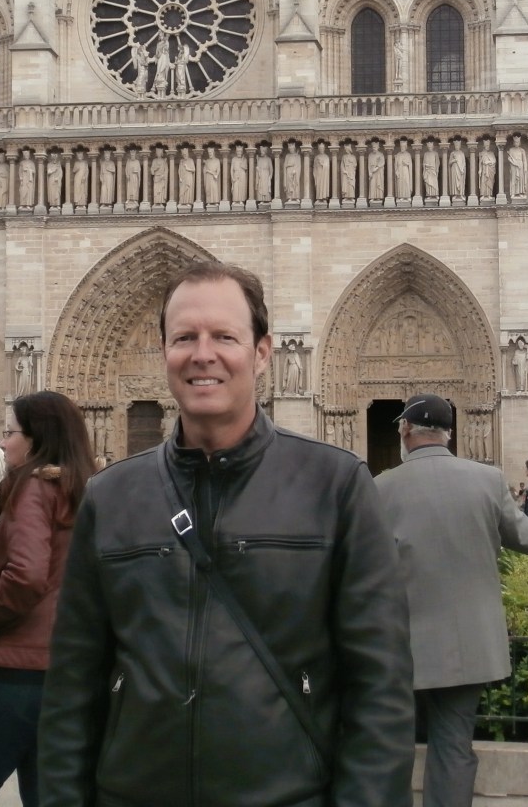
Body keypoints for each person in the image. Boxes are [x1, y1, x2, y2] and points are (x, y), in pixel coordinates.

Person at [38, 261, 415, 807]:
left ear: (263, 353)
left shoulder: (335, 485)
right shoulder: (111, 495)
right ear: (163, 350)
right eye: (184, 337)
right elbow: (72, 685)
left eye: (224, 336)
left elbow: (380, 689)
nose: (202, 354)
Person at [375, 393, 528, 807]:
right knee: (452, 750)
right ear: (450, 433)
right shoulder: (488, 480)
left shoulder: (379, 488)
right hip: (468, 650)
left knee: (389, 753)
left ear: (405, 430)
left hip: (396, 649)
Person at [0, 392, 96, 807]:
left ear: (35, 438)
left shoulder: (33, 486)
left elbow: (26, 576)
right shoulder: (80, 488)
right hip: (60, 673)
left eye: (10, 433)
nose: (4, 443)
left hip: (10, 671)